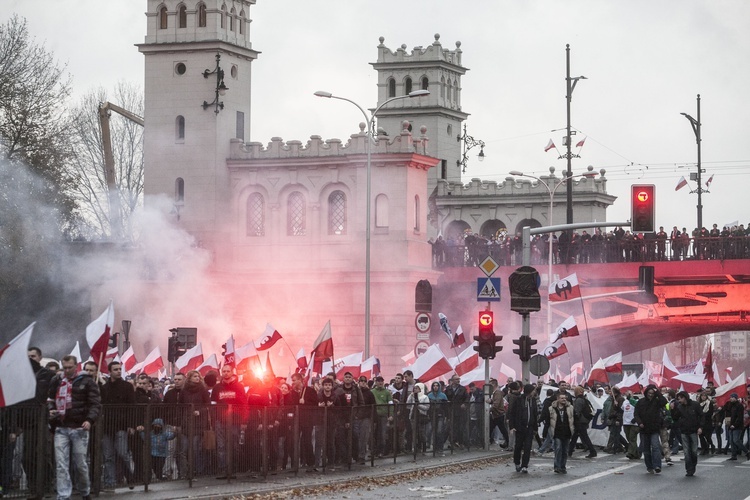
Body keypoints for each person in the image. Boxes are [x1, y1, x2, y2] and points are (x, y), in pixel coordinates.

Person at [47, 355, 101, 500]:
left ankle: (84, 491)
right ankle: (63, 495)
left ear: (76, 366)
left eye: (70, 367)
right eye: (64, 367)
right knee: (61, 464)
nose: (67, 370)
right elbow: (50, 399)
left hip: (79, 428)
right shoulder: (56, 380)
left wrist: (90, 420)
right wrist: (51, 409)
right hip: (61, 427)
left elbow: (95, 404)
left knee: (80, 464)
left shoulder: (87, 381)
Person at [100, 360, 136, 490]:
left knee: (123, 453)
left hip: (121, 426)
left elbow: (132, 407)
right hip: (107, 426)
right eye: (115, 369)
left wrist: (131, 425)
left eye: (119, 369)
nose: (118, 371)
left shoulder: (127, 386)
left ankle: (130, 477)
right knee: (108, 456)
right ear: (109, 372)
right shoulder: (104, 388)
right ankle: (110, 482)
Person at [211, 365, 246, 479]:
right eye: (224, 371)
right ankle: (222, 470)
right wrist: (214, 419)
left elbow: (244, 404)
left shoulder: (239, 386)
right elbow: (213, 404)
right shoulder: (217, 387)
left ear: (232, 372)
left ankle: (233, 470)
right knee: (221, 446)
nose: (226, 373)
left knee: (234, 445)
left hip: (235, 421)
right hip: (220, 421)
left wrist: (243, 420)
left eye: (228, 371)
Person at [177, 370, 210, 476]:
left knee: (196, 448)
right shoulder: (184, 391)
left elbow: (208, 405)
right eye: (195, 376)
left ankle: (198, 470)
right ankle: (185, 471)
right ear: (189, 378)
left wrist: (199, 411)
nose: (197, 378)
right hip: (186, 423)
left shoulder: (203, 390)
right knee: (184, 449)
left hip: (199, 423)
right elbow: (180, 406)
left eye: (198, 376)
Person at [634, 384, 667, 474]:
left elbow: (664, 402)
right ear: (646, 393)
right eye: (649, 393)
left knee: (656, 447)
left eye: (652, 393)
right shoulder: (641, 402)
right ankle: (649, 466)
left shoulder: (657, 401)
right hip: (644, 429)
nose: (651, 395)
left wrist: (658, 393)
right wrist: (640, 423)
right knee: (646, 449)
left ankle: (657, 465)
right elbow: (636, 414)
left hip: (654, 428)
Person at [670, 391, 702, 476]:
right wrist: (672, 410)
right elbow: (675, 418)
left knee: (694, 451)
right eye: (678, 399)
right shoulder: (680, 407)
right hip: (684, 431)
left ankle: (693, 465)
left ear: (685, 397)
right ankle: (689, 469)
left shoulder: (695, 405)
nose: (679, 400)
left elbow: (701, 416)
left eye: (680, 398)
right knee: (687, 451)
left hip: (693, 430)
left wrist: (700, 427)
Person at [508, 384, 538, 473]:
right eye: (533, 390)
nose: (534, 392)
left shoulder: (533, 401)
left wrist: (535, 427)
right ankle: (517, 462)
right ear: (529, 391)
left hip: (530, 427)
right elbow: (512, 413)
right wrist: (512, 426)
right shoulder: (519, 400)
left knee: (528, 447)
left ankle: (525, 465)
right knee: (518, 446)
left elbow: (535, 414)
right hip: (520, 427)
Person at [549, 392, 574, 474]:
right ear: (558, 399)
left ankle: (563, 466)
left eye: (565, 398)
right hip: (557, 432)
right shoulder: (552, 408)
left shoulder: (570, 408)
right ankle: (557, 466)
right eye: (562, 398)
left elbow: (574, 418)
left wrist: (574, 429)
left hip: (567, 432)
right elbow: (547, 418)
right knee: (558, 449)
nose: (564, 400)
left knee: (565, 450)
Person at [568, 386, 596, 458]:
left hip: (580, 421)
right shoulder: (584, 399)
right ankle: (569, 451)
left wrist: (574, 420)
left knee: (583, 436)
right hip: (584, 420)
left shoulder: (579, 400)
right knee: (576, 436)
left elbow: (577, 412)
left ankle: (592, 451)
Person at [371, 376, 393, 458]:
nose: (380, 383)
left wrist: (391, 414)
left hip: (383, 416)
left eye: (381, 381)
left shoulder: (387, 392)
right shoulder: (372, 391)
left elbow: (391, 404)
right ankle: (374, 451)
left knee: (383, 434)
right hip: (374, 415)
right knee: (374, 433)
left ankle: (381, 451)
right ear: (376, 382)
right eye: (378, 381)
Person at [724, 393, 750, 460]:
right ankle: (734, 455)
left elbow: (739, 417)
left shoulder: (739, 406)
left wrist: (734, 425)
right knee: (732, 441)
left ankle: (747, 452)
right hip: (731, 425)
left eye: (733, 397)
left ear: (736, 398)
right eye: (731, 397)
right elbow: (727, 412)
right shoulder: (730, 405)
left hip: (737, 426)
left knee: (736, 440)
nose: (731, 398)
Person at [622, 390, 641, 460]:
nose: (628, 394)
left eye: (629, 393)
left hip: (634, 423)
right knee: (629, 438)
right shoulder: (624, 402)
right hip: (626, 423)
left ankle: (630, 452)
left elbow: (639, 410)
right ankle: (636, 454)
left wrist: (636, 419)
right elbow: (622, 410)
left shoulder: (636, 401)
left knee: (632, 438)